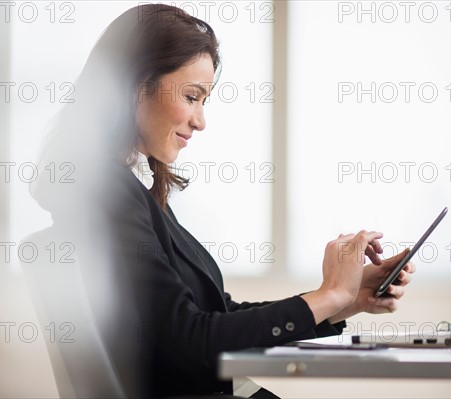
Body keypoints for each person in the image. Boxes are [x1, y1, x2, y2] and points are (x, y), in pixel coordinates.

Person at [31, 4, 415, 398]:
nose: (200, 121)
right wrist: (328, 295)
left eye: (204, 101)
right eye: (191, 96)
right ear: (134, 87)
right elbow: (191, 341)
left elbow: (217, 315)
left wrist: (342, 301)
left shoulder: (124, 191)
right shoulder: (106, 191)